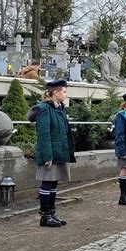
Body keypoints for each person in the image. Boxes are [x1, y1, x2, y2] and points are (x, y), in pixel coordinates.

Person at [29, 80, 75, 227]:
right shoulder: (44, 108)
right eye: (64, 91)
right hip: (50, 152)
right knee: (47, 182)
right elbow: (44, 134)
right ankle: (45, 216)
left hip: (59, 151)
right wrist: (47, 156)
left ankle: (52, 213)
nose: (66, 94)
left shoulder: (59, 108)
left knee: (54, 182)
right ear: (56, 93)